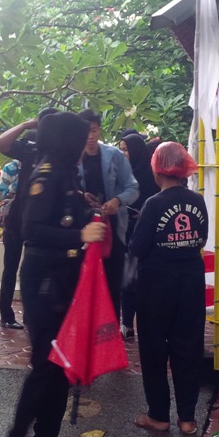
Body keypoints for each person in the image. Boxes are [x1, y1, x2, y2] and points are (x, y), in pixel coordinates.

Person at [3, 111, 107, 437]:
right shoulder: (45, 176)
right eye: (81, 140)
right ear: (68, 142)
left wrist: (89, 214)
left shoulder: (66, 175)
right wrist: (79, 237)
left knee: (64, 365)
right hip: (44, 281)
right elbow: (33, 229)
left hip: (65, 279)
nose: (85, 147)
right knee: (46, 365)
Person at [128, 141, 208, 435]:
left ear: (157, 169)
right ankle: (187, 418)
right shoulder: (198, 200)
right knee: (188, 347)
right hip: (190, 282)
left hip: (155, 287)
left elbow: (137, 247)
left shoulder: (153, 204)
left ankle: (158, 415)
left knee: (153, 348)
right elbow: (200, 238)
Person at [0, 108, 57, 329]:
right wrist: (25, 125)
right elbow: (0, 144)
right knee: (10, 269)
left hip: (41, 225)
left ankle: (32, 316)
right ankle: (7, 315)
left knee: (34, 270)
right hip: (16, 221)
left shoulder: (62, 151)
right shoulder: (30, 150)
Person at [76, 109, 139, 317]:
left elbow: (133, 188)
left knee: (113, 284)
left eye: (93, 130)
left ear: (99, 130)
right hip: (83, 232)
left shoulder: (115, 156)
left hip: (113, 231)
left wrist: (117, 200)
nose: (90, 136)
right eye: (85, 131)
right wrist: (81, 195)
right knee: (83, 284)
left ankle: (110, 328)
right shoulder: (73, 157)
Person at [119, 132, 158, 340]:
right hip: (125, 232)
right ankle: (126, 323)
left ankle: (141, 322)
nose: (123, 153)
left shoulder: (151, 176)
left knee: (141, 278)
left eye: (126, 149)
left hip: (145, 234)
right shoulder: (122, 175)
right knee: (127, 278)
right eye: (121, 149)